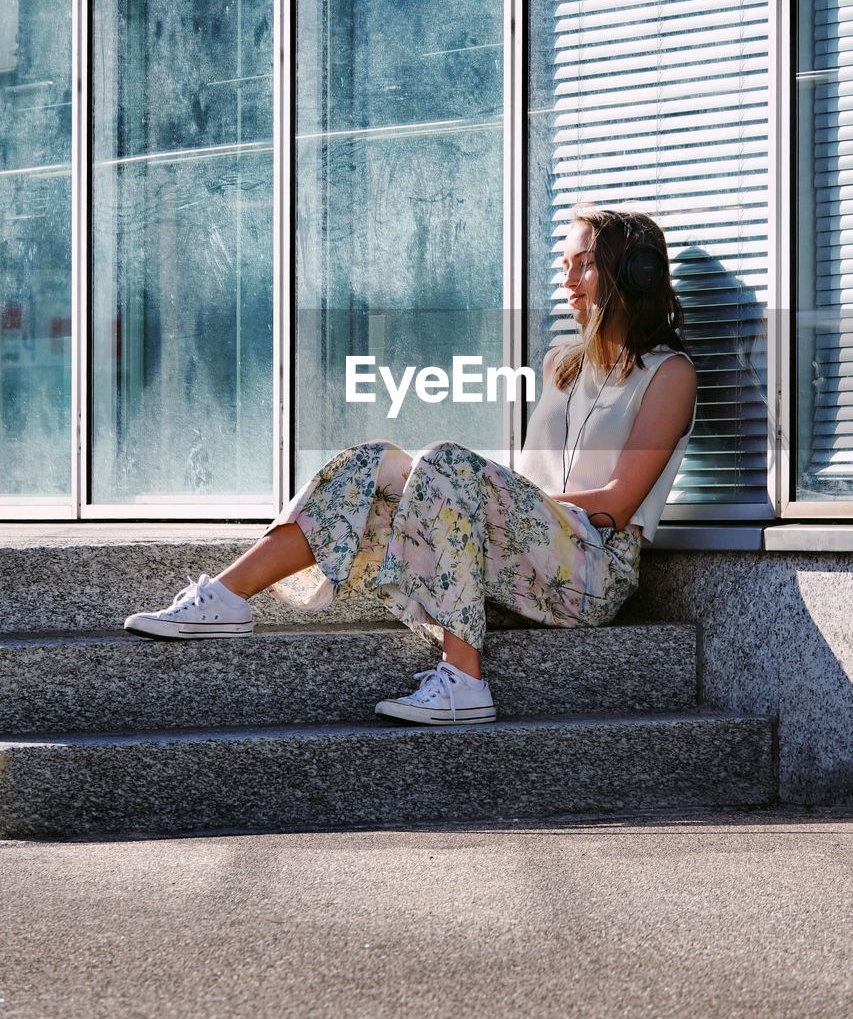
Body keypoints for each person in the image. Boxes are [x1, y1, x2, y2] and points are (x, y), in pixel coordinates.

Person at [124, 206, 698, 727]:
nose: (566, 281)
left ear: (634, 274)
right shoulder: (560, 366)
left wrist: (479, 494)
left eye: (584, 265)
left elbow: (618, 503)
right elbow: (521, 492)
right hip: (521, 562)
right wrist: (471, 495)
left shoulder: (668, 375)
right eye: (564, 265)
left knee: (445, 465)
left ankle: (465, 682)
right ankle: (224, 599)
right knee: (374, 462)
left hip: (591, 572)